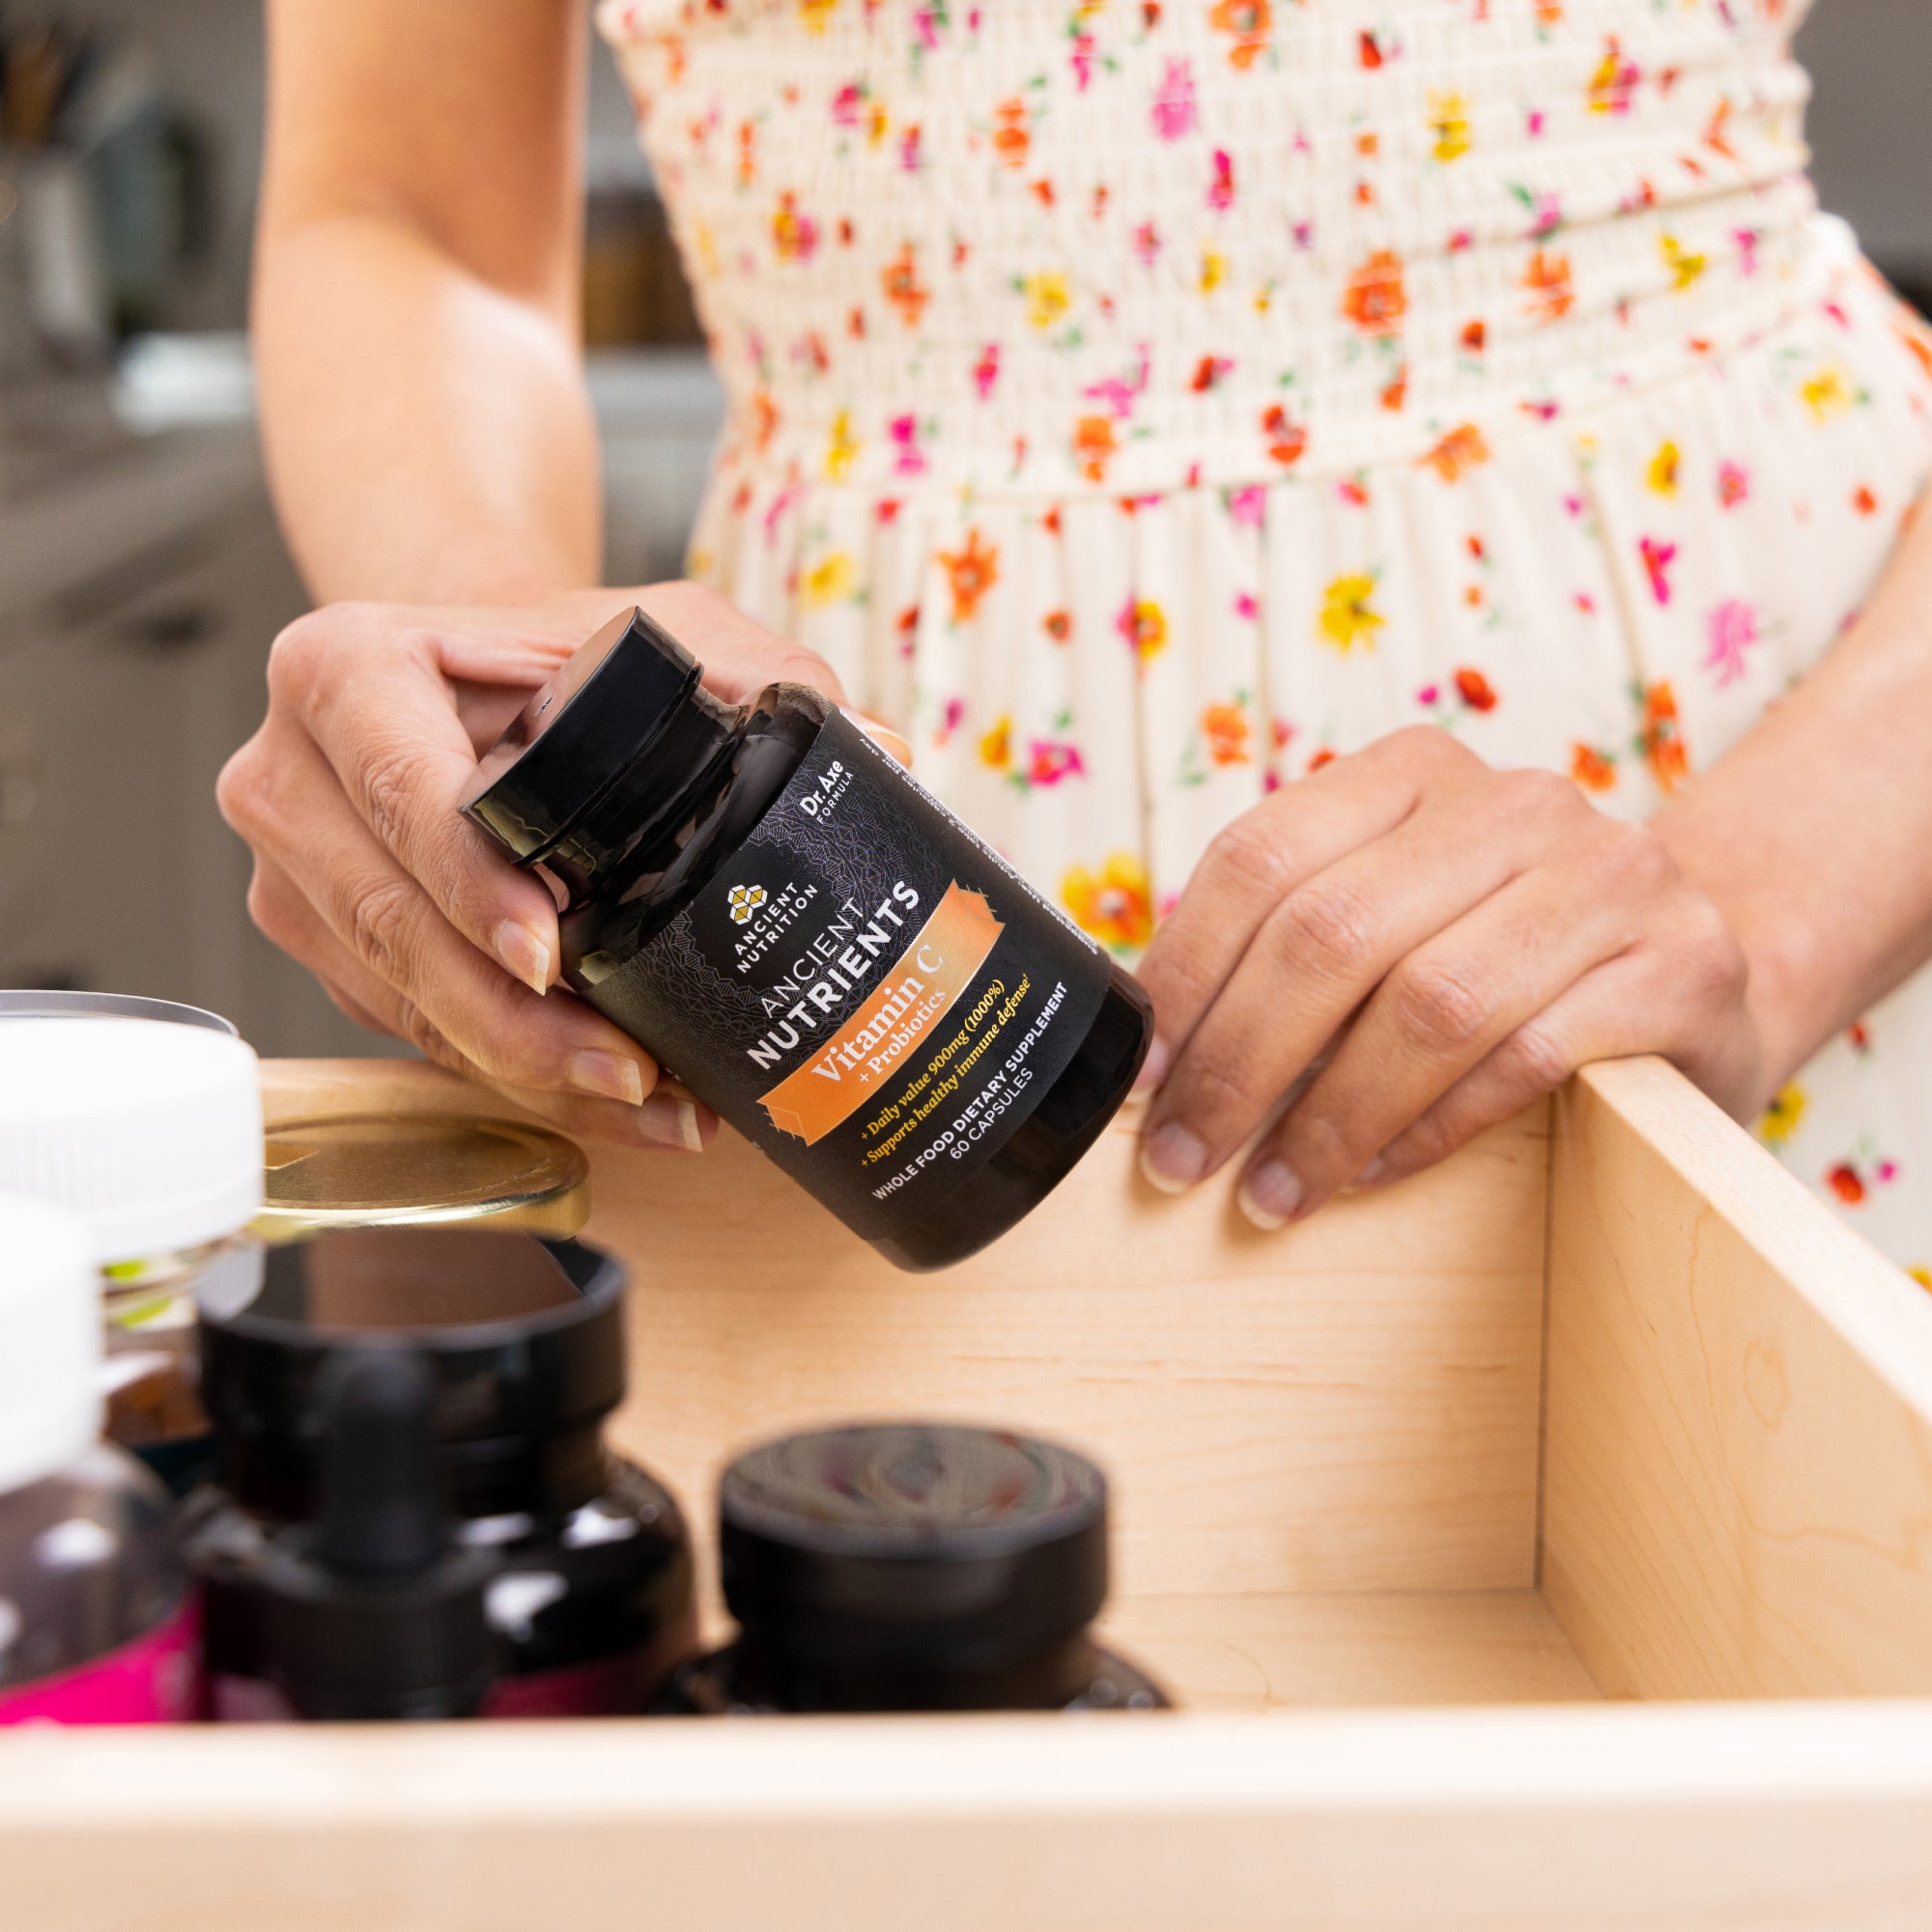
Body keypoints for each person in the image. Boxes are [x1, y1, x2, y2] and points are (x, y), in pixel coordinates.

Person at [223, 0, 1932, 1268]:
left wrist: (1769, 905)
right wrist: (500, 655)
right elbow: (405, 209)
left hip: (1789, 787)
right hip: (849, 853)